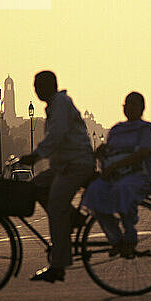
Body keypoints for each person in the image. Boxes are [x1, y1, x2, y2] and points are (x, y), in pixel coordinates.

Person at [20, 71, 95, 283]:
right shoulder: (56, 104)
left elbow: (57, 134)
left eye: (38, 86)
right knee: (36, 186)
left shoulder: (60, 104)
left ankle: (59, 265)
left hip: (76, 164)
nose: (35, 90)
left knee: (55, 206)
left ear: (49, 86)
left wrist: (36, 155)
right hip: (66, 165)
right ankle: (72, 218)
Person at [82, 92, 151, 259]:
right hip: (114, 175)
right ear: (123, 107)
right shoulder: (117, 129)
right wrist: (101, 152)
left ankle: (130, 236)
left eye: (134, 104)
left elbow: (144, 152)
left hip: (137, 176)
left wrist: (118, 164)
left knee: (122, 189)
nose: (130, 108)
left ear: (142, 108)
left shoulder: (146, 129)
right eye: (128, 104)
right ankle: (116, 238)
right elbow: (110, 151)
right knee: (94, 192)